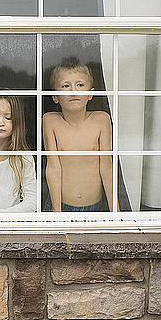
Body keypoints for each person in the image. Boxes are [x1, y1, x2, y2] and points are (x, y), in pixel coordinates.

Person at [42, 59, 113, 212]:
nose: (73, 91)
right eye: (66, 86)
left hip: (95, 206)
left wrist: (116, 211)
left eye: (80, 85)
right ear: (55, 97)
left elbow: (107, 167)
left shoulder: (101, 120)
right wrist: (56, 212)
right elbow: (53, 167)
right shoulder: (50, 121)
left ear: (90, 94)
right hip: (60, 205)